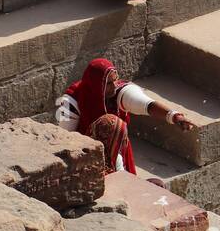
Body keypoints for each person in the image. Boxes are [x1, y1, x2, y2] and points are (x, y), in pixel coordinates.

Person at [55, 58, 194, 174]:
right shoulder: (70, 102)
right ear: (97, 85)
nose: (115, 86)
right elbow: (65, 140)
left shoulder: (118, 92)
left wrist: (174, 116)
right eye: (109, 83)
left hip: (116, 151)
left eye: (116, 80)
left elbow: (147, 105)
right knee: (111, 124)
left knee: (115, 126)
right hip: (84, 156)